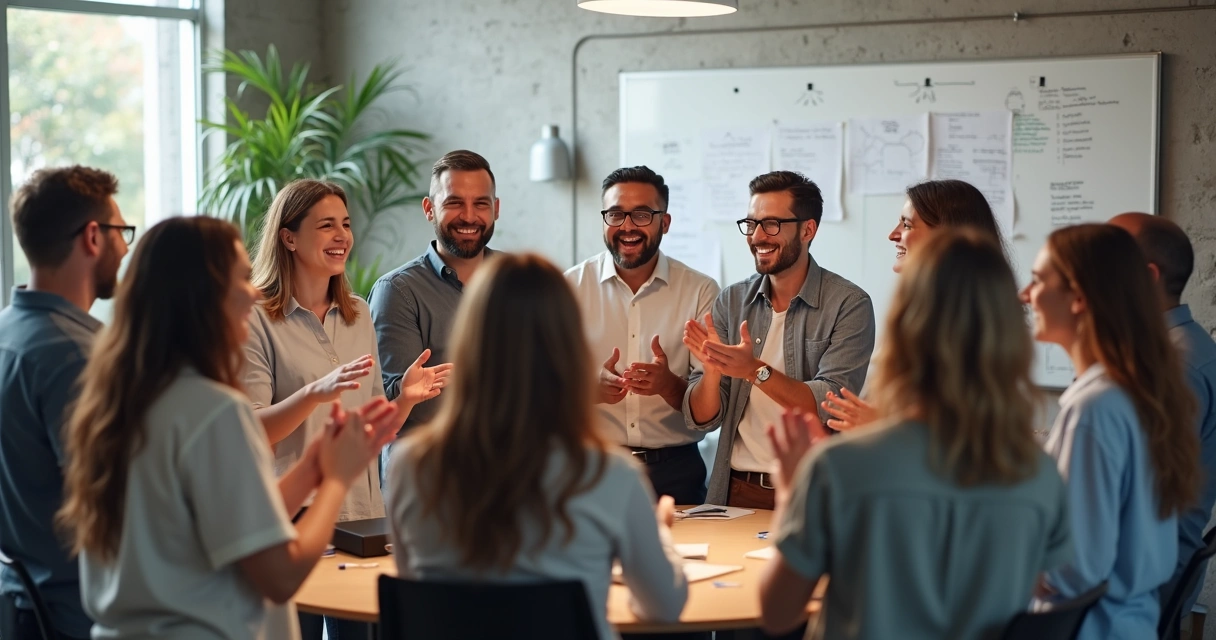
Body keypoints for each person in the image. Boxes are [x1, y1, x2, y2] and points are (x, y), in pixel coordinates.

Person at [56, 216, 400, 639]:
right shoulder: (214, 411)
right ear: (200, 296)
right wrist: (336, 481)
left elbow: (229, 522)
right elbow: (280, 575)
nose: (254, 290)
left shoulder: (114, 405)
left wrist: (314, 467)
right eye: (240, 277)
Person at [759, 229, 1071, 639]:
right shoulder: (1039, 473)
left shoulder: (841, 466)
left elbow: (777, 612)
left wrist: (788, 496)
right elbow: (1044, 589)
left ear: (904, 326)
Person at [386, 253, 687, 640]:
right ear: (568, 347)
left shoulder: (410, 467)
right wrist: (659, 531)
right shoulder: (609, 474)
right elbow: (666, 605)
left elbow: (424, 600)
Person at [243, 179, 450, 639]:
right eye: (326, 226)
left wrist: (405, 400)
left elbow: (373, 433)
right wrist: (315, 392)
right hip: (291, 516)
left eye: (346, 224)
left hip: (361, 516)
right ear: (289, 237)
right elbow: (252, 430)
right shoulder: (254, 316)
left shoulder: (356, 313)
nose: (342, 236)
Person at [1023, 223, 1202, 640]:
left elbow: (1071, 570)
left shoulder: (1094, 408)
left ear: (1080, 297)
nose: (1024, 295)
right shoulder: (1133, 391)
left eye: (1036, 280)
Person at [683, 170, 874, 509]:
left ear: (808, 229)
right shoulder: (732, 300)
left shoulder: (849, 304)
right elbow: (704, 418)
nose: (757, 236)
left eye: (771, 224)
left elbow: (827, 404)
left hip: (810, 493)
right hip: (736, 489)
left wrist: (754, 369)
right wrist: (712, 373)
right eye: (751, 224)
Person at [0, 166, 130, 640]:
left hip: (23, 603)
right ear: (93, 237)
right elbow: (118, 506)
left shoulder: (8, 332)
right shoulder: (79, 356)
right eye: (121, 231)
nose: (127, 245)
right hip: (84, 616)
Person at [566, 166, 720, 505]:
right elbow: (541, 393)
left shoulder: (700, 291)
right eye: (616, 214)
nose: (628, 226)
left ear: (664, 222)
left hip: (676, 474)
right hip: (592, 470)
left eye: (642, 214)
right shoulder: (569, 289)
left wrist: (668, 385)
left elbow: (709, 418)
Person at [822, 178, 1004, 431]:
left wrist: (882, 425)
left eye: (906, 224)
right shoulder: (919, 315)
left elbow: (970, 429)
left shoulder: (969, 327)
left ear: (945, 236)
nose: (893, 234)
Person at [1109, 212, 1216, 618]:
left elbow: (1135, 502)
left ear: (1146, 277)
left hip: (1139, 584)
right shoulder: (1182, 348)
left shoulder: (1173, 367)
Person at [369, 150, 498, 436]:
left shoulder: (519, 279)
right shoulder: (397, 292)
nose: (468, 216)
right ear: (429, 208)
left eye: (480, 203)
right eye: (454, 203)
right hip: (429, 471)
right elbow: (387, 403)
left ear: (496, 209)